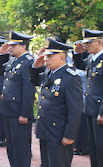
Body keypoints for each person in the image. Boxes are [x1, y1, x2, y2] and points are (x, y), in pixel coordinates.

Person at [30, 38, 83, 167]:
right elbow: (35, 81)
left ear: (62, 58)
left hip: (59, 132)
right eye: (46, 55)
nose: (46, 59)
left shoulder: (70, 78)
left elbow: (75, 110)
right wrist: (35, 68)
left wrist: (70, 135)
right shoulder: (48, 73)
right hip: (45, 129)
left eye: (50, 56)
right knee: (46, 164)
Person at [0, 30, 35, 167]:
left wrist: (24, 113)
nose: (10, 48)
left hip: (18, 112)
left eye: (14, 45)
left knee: (21, 148)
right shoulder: (14, 61)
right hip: (8, 110)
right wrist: (1, 54)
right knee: (11, 146)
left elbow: (28, 91)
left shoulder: (28, 62)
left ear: (23, 46)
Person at [73, 29, 103, 167]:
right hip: (90, 108)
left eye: (90, 43)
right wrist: (78, 54)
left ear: (100, 42)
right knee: (93, 146)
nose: (87, 46)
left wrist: (102, 112)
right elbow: (81, 66)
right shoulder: (92, 58)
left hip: (99, 110)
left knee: (101, 146)